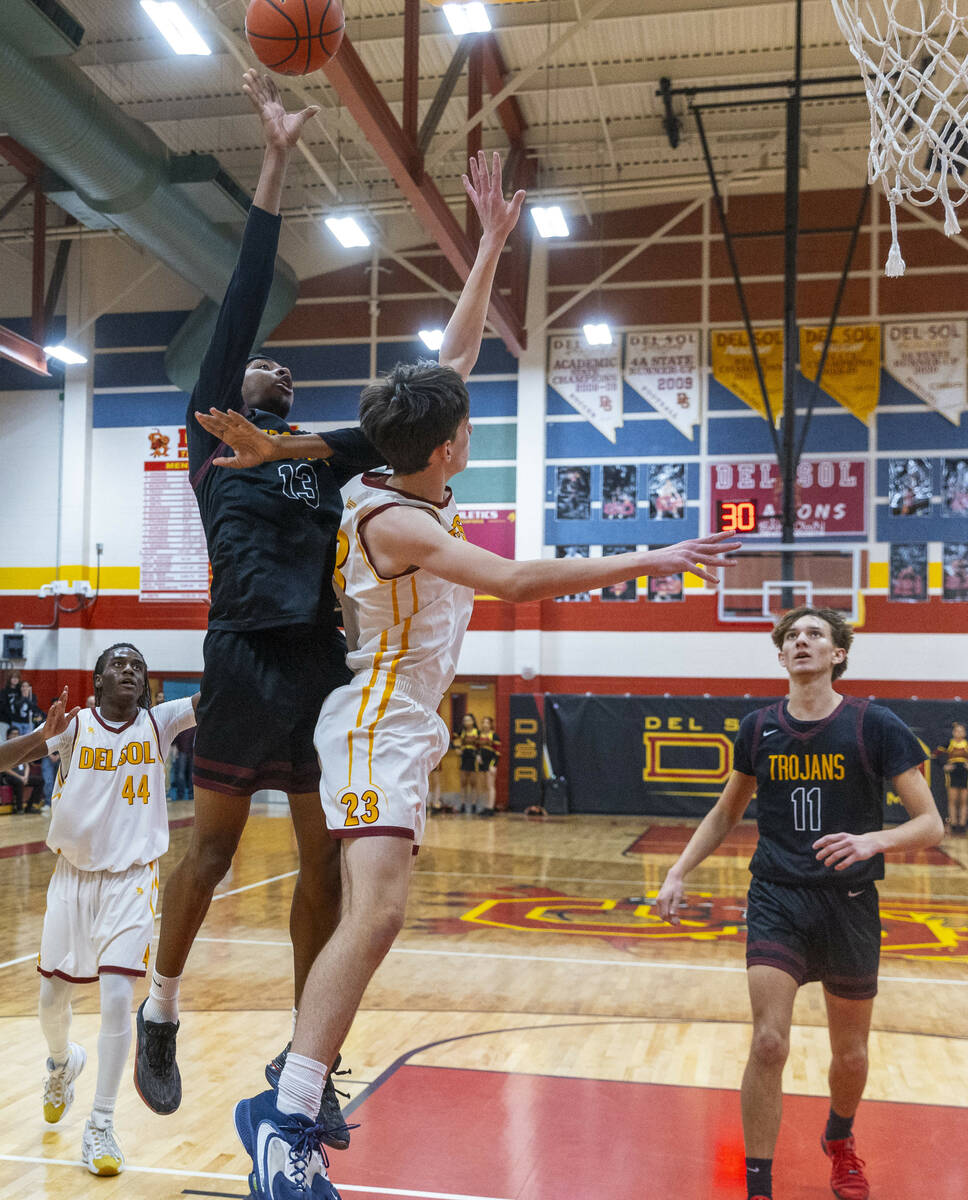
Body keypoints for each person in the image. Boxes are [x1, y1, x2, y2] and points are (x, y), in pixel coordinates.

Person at [199, 153, 741, 1196]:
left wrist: (490, 242)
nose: (468, 423)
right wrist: (651, 555)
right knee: (379, 911)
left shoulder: (386, 466)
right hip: (370, 721)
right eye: (464, 424)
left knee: (378, 911)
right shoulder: (398, 517)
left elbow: (442, 360)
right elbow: (517, 580)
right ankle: (286, 1110)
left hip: (391, 720)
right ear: (447, 450)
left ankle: (292, 1093)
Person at [133, 71, 383, 1143]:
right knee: (214, 850)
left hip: (319, 661)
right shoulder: (210, 442)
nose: (268, 366)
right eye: (255, 366)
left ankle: (304, 1057)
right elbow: (240, 299)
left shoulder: (320, 461)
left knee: (325, 861)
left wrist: (309, 443)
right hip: (239, 656)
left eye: (284, 368)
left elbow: (417, 415)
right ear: (233, 391)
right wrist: (273, 161)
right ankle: (160, 1005)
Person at [655, 606, 944, 1200]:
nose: (802, 641)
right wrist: (678, 870)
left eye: (815, 634)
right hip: (778, 898)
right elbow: (725, 812)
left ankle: (840, 1139)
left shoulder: (875, 724)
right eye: (792, 636)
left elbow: (931, 824)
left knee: (852, 1053)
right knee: (769, 1041)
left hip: (850, 902)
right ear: (781, 656)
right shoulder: (759, 726)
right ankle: (758, 1185)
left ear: (838, 653)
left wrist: (874, 839)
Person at [1, 650, 197, 1177]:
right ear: (98, 679)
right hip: (72, 878)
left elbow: (219, 698)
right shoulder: (75, 725)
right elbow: (2, 759)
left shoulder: (161, 722)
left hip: (133, 879)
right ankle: (62, 1063)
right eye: (118, 663)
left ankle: (101, 1126)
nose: (130, 669)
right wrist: (42, 735)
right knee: (50, 1002)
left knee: (117, 1000)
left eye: (138, 664)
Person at [940, 720, 968, 833]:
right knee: (952, 800)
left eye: (961, 731)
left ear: (965, 733)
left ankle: (962, 825)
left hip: (965, 774)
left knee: (963, 801)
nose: (959, 733)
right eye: (957, 731)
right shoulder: (948, 743)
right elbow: (934, 755)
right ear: (953, 732)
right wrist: (944, 765)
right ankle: (953, 824)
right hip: (952, 774)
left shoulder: (966, 744)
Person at [454, 712, 480, 813]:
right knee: (463, 783)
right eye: (465, 720)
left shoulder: (477, 732)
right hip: (464, 757)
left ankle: (473, 805)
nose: (466, 722)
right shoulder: (461, 732)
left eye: (468, 720)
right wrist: (457, 749)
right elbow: (454, 741)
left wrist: (478, 755)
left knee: (473, 783)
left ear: (473, 721)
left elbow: (479, 746)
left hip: (473, 758)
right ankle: (463, 804)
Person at [476, 715, 501, 817]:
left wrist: (493, 765)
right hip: (482, 763)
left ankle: (490, 808)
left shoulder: (494, 736)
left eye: (487, 723)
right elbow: (477, 748)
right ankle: (486, 806)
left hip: (490, 763)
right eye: (483, 722)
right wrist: (477, 756)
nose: (485, 724)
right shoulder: (480, 735)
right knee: (485, 786)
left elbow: (497, 752)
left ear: (491, 725)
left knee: (490, 786)